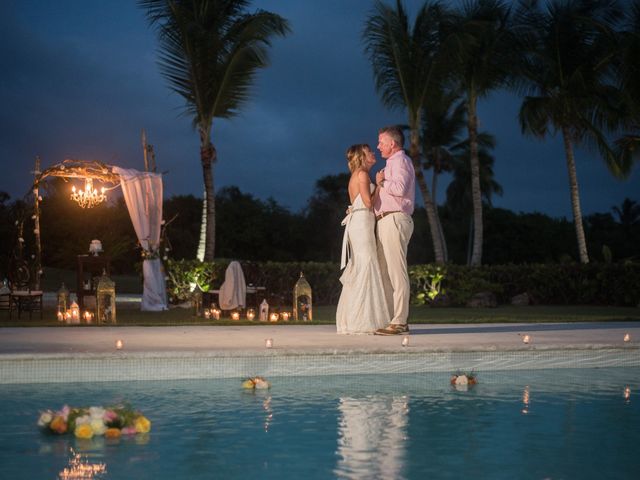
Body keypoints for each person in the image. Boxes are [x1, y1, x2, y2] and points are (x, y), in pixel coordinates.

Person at [336, 144, 390, 334]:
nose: (373, 153)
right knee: (366, 265)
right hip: (362, 224)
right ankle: (362, 320)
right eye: (369, 151)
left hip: (359, 223)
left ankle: (354, 318)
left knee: (361, 267)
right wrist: (380, 184)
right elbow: (368, 203)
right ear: (362, 156)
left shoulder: (356, 175)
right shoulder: (363, 175)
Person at [373, 126, 415, 335]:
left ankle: (400, 321)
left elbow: (399, 189)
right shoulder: (392, 163)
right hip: (385, 220)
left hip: (395, 219)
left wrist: (381, 182)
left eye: (381, 142)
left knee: (396, 272)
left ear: (392, 143)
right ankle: (394, 319)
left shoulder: (400, 161)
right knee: (387, 272)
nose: (378, 146)